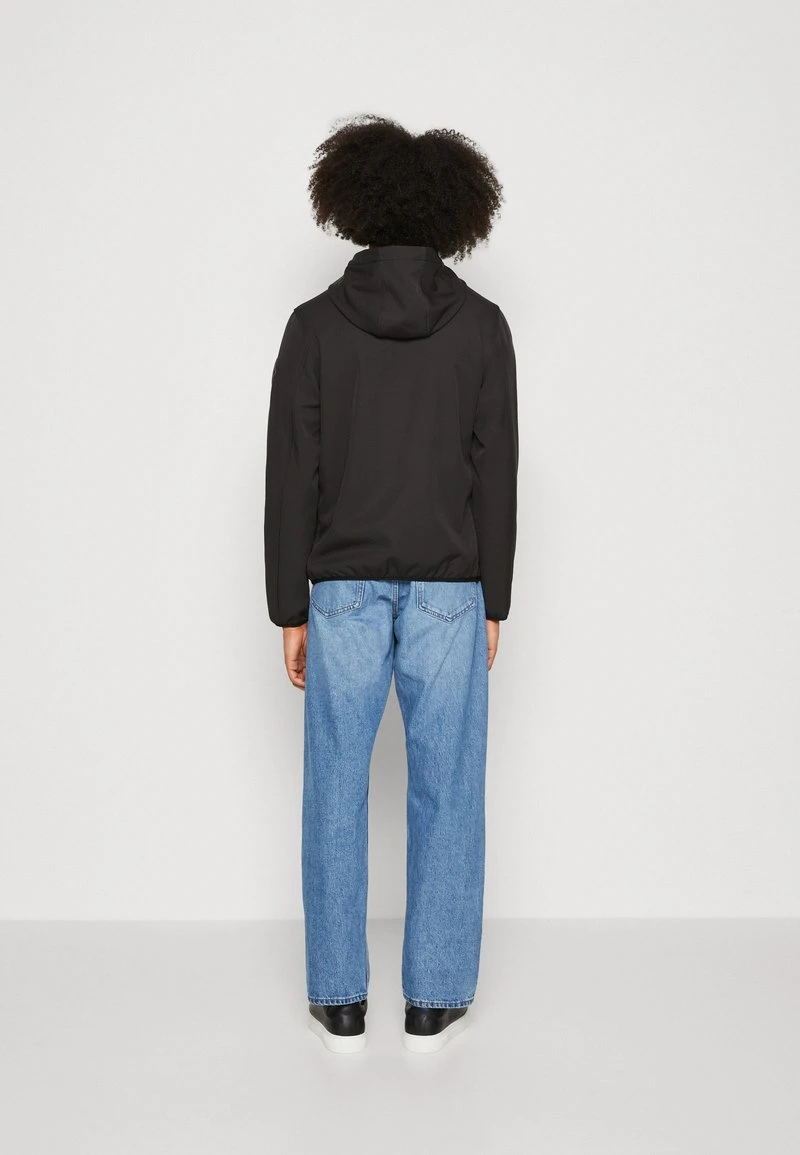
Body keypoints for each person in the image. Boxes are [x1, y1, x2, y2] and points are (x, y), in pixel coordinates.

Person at [263, 113, 519, 1054]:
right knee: (448, 787)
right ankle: (434, 998)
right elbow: (496, 470)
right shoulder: (482, 327)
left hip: (341, 589)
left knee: (334, 786)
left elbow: (292, 472)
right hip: (452, 586)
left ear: (355, 207)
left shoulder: (314, 327)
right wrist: (494, 598)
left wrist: (289, 605)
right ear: (453, 212)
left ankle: (338, 996)